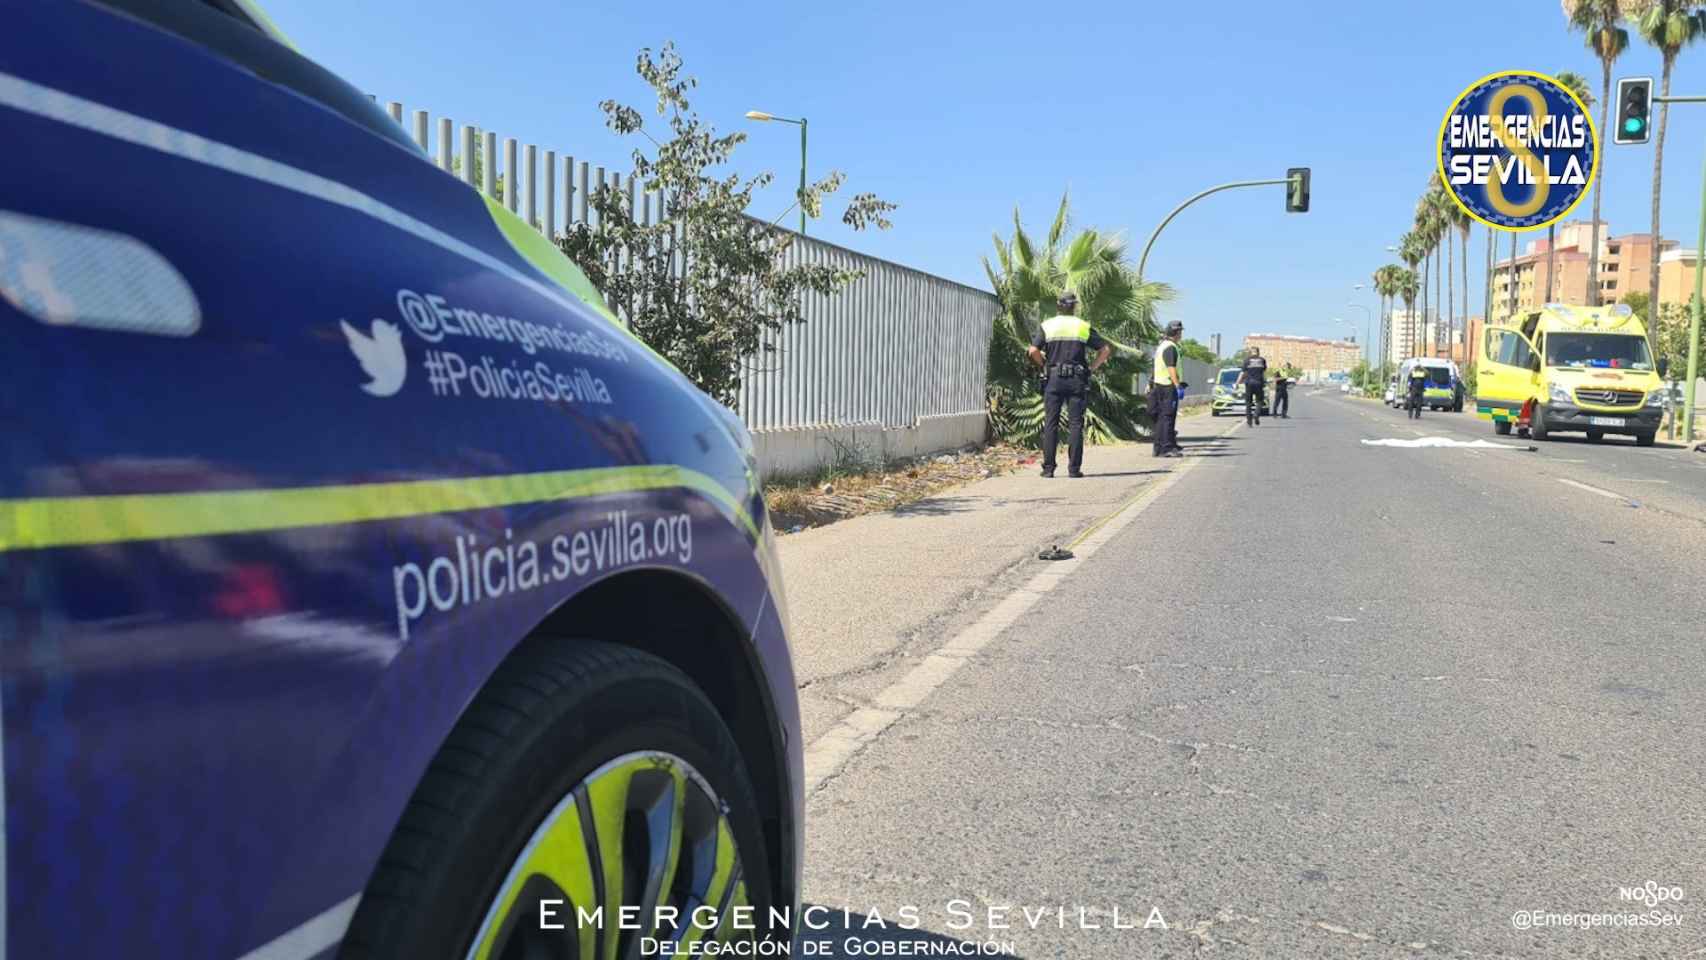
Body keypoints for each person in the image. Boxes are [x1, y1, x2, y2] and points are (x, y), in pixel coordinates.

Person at [1028, 292, 1110, 477]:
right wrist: (1091, 368)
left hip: (1054, 379)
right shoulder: (1082, 326)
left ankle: (1048, 470)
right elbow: (1105, 350)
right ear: (1074, 307)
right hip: (1076, 380)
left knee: (1051, 423)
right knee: (1075, 424)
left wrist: (1044, 366)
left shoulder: (1048, 326)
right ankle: (1074, 469)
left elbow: (1033, 350)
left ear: (1058, 306)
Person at [1150, 320, 1187, 458]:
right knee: (1168, 417)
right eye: (1180, 332)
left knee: (1162, 418)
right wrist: (1177, 385)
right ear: (1177, 333)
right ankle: (1167, 448)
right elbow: (1171, 367)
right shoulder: (1171, 347)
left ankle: (1158, 447)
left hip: (1159, 385)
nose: (1181, 334)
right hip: (1168, 386)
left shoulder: (1162, 346)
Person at [1240, 348, 1268, 426]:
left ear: (1250, 352)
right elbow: (1263, 371)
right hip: (1259, 383)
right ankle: (1256, 414)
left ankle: (1249, 421)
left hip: (1249, 383)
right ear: (1258, 352)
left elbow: (1243, 373)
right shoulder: (1262, 360)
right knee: (1260, 401)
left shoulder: (1246, 360)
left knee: (1248, 403)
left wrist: (1239, 382)